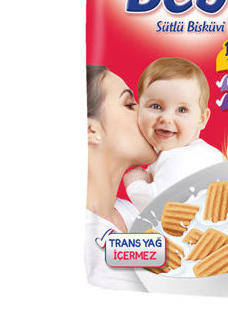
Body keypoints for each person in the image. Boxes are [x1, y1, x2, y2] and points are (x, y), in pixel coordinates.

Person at [85, 65, 157, 291]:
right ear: (91, 130)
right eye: (129, 105)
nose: (147, 113)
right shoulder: (83, 242)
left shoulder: (135, 211)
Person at [124, 57, 223, 211]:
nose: (167, 118)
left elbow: (159, 206)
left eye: (182, 110)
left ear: (202, 119)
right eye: (156, 106)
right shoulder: (203, 152)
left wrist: (135, 184)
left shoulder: (179, 158)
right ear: (138, 109)